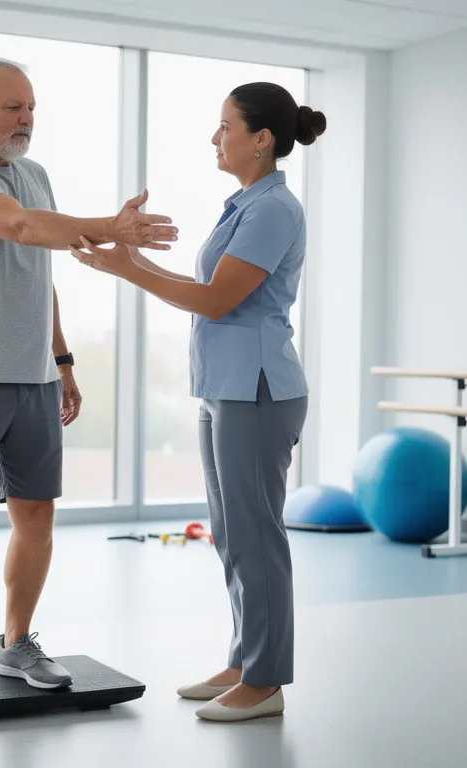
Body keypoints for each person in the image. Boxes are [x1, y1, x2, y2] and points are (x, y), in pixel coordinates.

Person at [0, 57, 179, 699]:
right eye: (12, 107)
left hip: (31, 377)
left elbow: (40, 271)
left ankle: (16, 643)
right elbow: (22, 227)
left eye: (31, 106)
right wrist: (111, 227)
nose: (26, 118)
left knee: (37, 515)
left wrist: (61, 362)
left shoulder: (36, 174)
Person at [70, 81, 325, 722]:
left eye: (225, 127)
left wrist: (131, 270)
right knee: (230, 535)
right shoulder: (243, 204)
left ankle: (265, 682)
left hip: (258, 393)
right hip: (224, 389)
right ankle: (245, 660)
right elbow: (206, 285)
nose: (215, 138)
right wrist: (125, 264)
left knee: (255, 535)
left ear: (261, 139)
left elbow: (217, 302)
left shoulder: (273, 210)